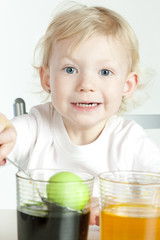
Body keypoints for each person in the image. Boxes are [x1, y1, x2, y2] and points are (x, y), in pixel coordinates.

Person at [0, 2, 160, 226]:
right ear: (47, 78)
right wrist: (4, 132)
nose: (86, 85)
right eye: (70, 69)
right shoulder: (37, 126)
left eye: (105, 72)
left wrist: (114, 203)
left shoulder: (131, 141)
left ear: (127, 85)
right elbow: (11, 134)